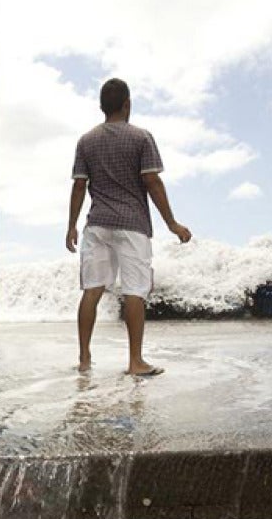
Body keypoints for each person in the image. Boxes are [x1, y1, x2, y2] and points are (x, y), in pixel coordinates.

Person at [66, 78, 192, 375]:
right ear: (127, 104)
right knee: (135, 291)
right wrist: (171, 223)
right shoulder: (141, 138)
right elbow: (152, 182)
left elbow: (79, 186)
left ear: (101, 107)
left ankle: (84, 359)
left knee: (91, 291)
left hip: (96, 224)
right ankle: (135, 362)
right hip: (132, 225)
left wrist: (71, 225)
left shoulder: (86, 141)